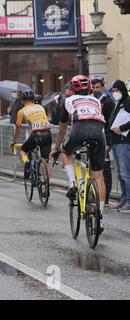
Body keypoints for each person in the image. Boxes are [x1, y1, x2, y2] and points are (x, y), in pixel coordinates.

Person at [50, 75, 106, 233]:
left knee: (66, 153)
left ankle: (73, 184)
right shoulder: (96, 100)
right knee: (99, 176)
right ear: (88, 88)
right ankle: (99, 218)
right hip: (98, 133)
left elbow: (62, 129)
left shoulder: (67, 100)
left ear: (72, 89)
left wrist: (57, 148)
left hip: (78, 131)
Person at [11, 90, 52, 180]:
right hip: (48, 134)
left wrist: (14, 141)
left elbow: (18, 127)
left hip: (36, 134)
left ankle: (27, 163)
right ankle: (47, 185)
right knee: (45, 162)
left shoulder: (22, 111)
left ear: (22, 101)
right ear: (33, 100)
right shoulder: (41, 107)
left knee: (23, 150)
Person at [91, 76, 115, 206]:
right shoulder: (91, 101)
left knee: (105, 168)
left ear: (103, 87)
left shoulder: (108, 102)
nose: (95, 90)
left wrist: (109, 142)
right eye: (93, 87)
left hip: (105, 138)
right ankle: (94, 193)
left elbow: (111, 123)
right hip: (93, 136)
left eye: (98, 87)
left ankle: (105, 197)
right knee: (93, 166)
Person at [108, 80, 130, 213]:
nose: (115, 93)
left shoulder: (127, 102)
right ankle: (124, 199)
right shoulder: (118, 103)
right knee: (119, 174)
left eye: (117, 90)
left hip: (124, 141)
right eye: (113, 91)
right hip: (116, 142)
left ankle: (129, 201)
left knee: (126, 173)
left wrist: (122, 128)